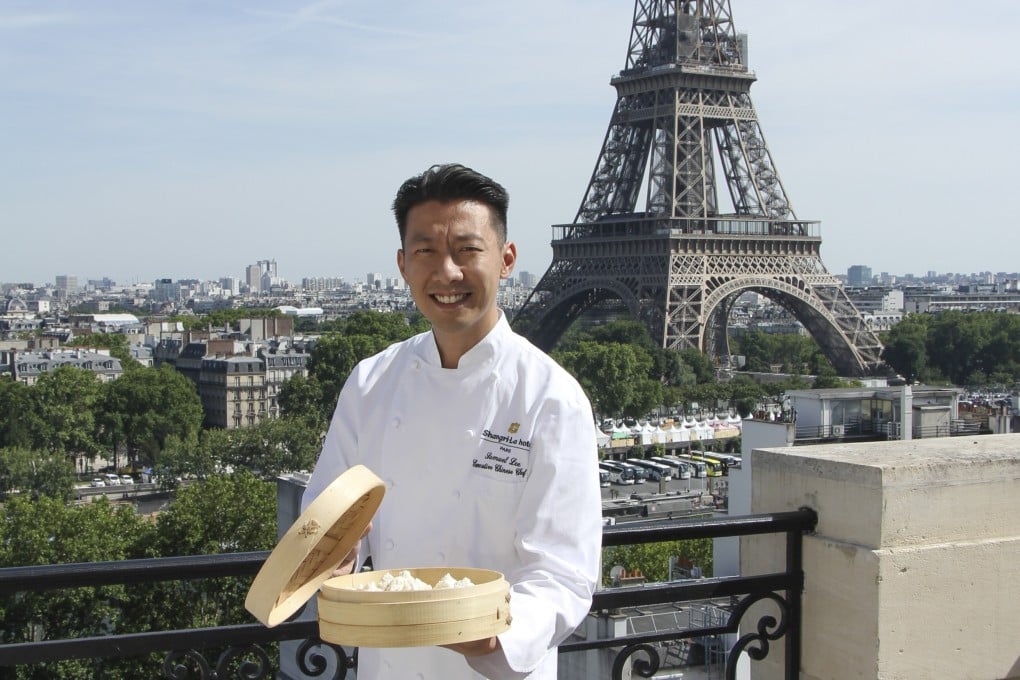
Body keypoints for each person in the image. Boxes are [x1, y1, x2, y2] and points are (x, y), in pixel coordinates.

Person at [301, 163, 603, 679]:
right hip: (387, 665)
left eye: (467, 250)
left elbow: (563, 573)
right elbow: (325, 515)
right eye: (426, 252)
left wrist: (495, 630)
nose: (446, 272)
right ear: (402, 264)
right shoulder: (370, 382)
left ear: (506, 259)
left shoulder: (552, 398)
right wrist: (332, 556)